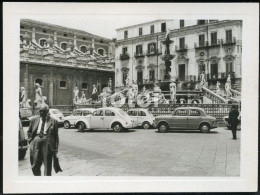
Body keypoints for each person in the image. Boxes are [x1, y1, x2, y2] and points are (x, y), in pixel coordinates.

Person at [27, 104, 59, 176]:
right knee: (35, 163)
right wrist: (31, 141)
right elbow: (29, 132)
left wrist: (56, 148)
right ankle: (37, 178)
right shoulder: (34, 120)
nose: (41, 113)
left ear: (47, 111)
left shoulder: (54, 121)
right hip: (36, 140)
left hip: (47, 142)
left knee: (47, 165)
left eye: (44, 111)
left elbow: (56, 136)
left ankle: (46, 181)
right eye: (40, 111)